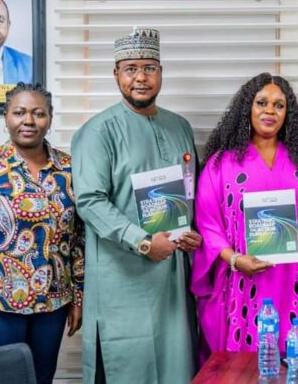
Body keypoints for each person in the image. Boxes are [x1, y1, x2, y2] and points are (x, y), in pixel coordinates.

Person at [72, 28, 202, 384]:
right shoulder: (98, 131)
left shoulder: (180, 127)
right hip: (122, 280)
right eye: (130, 68)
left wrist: (194, 234)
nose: (141, 77)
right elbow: (90, 201)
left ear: (161, 71)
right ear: (116, 74)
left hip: (172, 281)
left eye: (149, 67)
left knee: (176, 366)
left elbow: (192, 191)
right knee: (124, 369)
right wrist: (143, 241)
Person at [0, 82, 83, 384]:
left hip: (54, 303)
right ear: (5, 116)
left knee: (42, 379)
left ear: (49, 119)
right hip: (0, 305)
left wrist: (79, 296)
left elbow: (78, 239)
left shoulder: (68, 169)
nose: (29, 121)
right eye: (20, 112)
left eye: (38, 113)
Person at [191, 73, 298, 361]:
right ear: (247, 109)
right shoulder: (220, 164)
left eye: (279, 105)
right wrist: (234, 260)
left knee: (291, 361)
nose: (270, 111)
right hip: (240, 281)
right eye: (262, 102)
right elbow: (207, 223)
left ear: (288, 113)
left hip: (294, 282)